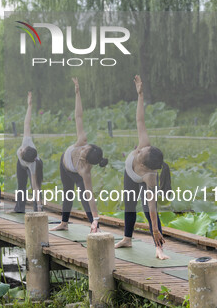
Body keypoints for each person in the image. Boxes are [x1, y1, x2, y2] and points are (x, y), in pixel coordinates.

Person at [114, 75, 172, 260]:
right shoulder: (144, 144)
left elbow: (153, 208)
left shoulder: (150, 177)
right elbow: (140, 120)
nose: (136, 151)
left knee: (148, 211)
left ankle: (159, 249)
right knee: (129, 205)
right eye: (140, 151)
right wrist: (140, 95)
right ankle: (127, 238)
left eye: (139, 155)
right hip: (129, 174)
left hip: (138, 178)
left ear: (144, 165)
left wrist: (155, 229)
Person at [50, 78, 108, 233]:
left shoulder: (85, 171)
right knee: (67, 193)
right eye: (85, 148)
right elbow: (79, 117)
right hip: (64, 165)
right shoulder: (82, 140)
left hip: (74, 172)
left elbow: (91, 197)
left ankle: (95, 227)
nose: (82, 150)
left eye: (84, 153)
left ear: (86, 159)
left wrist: (96, 218)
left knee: (84, 198)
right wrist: (77, 93)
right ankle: (64, 222)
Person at [14, 91, 43, 212]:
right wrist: (29, 105)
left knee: (34, 185)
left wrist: (40, 205)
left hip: (35, 165)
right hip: (21, 165)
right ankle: (19, 208)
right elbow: (27, 123)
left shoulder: (32, 165)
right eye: (22, 151)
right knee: (21, 185)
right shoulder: (27, 141)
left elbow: (35, 186)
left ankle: (38, 208)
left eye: (21, 153)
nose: (20, 151)